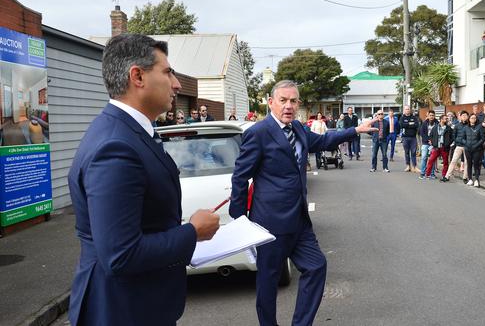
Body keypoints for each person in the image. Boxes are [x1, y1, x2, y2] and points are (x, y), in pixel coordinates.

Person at [67, 34, 220, 325]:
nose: (176, 84)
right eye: (167, 72)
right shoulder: (116, 146)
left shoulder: (131, 131)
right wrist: (192, 232)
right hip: (122, 310)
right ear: (137, 76)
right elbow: (120, 254)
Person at [229, 80, 376, 326]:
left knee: (316, 266)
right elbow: (240, 177)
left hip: (299, 221)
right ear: (271, 102)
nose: (288, 106)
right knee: (268, 280)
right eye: (283, 100)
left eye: (293, 101)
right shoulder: (258, 132)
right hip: (269, 224)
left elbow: (323, 141)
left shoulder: (298, 128)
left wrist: (355, 131)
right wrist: (239, 219)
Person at [458, 113, 484, 187]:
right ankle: (470, 179)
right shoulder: (465, 128)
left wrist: (476, 145)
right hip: (468, 149)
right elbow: (462, 138)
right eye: (472, 118)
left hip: (477, 149)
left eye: (474, 118)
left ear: (476, 120)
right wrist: (466, 144)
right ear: (469, 119)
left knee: (476, 164)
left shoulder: (479, 127)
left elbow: (482, 138)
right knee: (469, 164)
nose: (473, 119)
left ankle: (476, 180)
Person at [444, 110, 469, 182]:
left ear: (467, 117)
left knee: (466, 162)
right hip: (459, 146)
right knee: (453, 161)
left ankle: (465, 177)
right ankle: (447, 176)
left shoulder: (469, 125)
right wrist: (457, 141)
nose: (464, 117)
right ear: (460, 117)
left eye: (465, 115)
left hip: (467, 147)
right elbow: (454, 135)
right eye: (463, 115)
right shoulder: (457, 125)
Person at [424, 114, 452, 180]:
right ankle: (427, 174)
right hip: (436, 147)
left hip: (444, 147)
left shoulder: (448, 128)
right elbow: (431, 135)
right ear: (441, 119)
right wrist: (432, 143)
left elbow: (452, 137)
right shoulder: (435, 127)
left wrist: (448, 143)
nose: (446, 120)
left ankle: (444, 175)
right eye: (445, 118)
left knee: (445, 162)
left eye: (447, 119)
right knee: (431, 160)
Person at [418, 110, 438, 179]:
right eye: (430, 115)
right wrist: (428, 140)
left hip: (434, 144)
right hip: (425, 143)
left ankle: (431, 174)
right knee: (424, 158)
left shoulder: (437, 123)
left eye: (433, 115)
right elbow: (422, 133)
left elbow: (438, 134)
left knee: (432, 159)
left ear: (434, 116)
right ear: (428, 116)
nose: (431, 117)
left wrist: (432, 141)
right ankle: (422, 173)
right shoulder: (424, 123)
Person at [400, 105, 420, 172]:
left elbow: (416, 125)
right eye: (406, 109)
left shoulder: (414, 117)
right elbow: (402, 125)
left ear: (410, 110)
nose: (407, 110)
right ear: (404, 110)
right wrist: (410, 124)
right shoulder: (402, 118)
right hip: (405, 138)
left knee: (413, 152)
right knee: (407, 152)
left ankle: (415, 166)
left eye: (408, 109)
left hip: (413, 138)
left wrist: (407, 124)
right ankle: (408, 166)